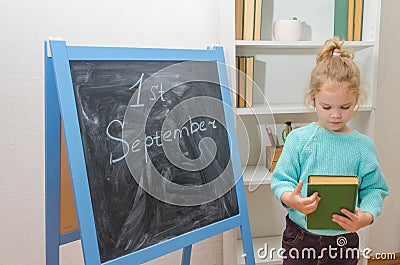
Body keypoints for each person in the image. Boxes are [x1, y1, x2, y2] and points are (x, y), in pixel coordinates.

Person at [270, 37, 389, 264]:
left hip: (344, 240)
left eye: (345, 107)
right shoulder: (298, 139)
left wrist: (365, 216)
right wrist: (290, 198)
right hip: (300, 236)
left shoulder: (363, 147)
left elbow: (375, 189)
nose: (335, 115)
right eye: (326, 107)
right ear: (313, 100)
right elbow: (281, 180)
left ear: (357, 101)